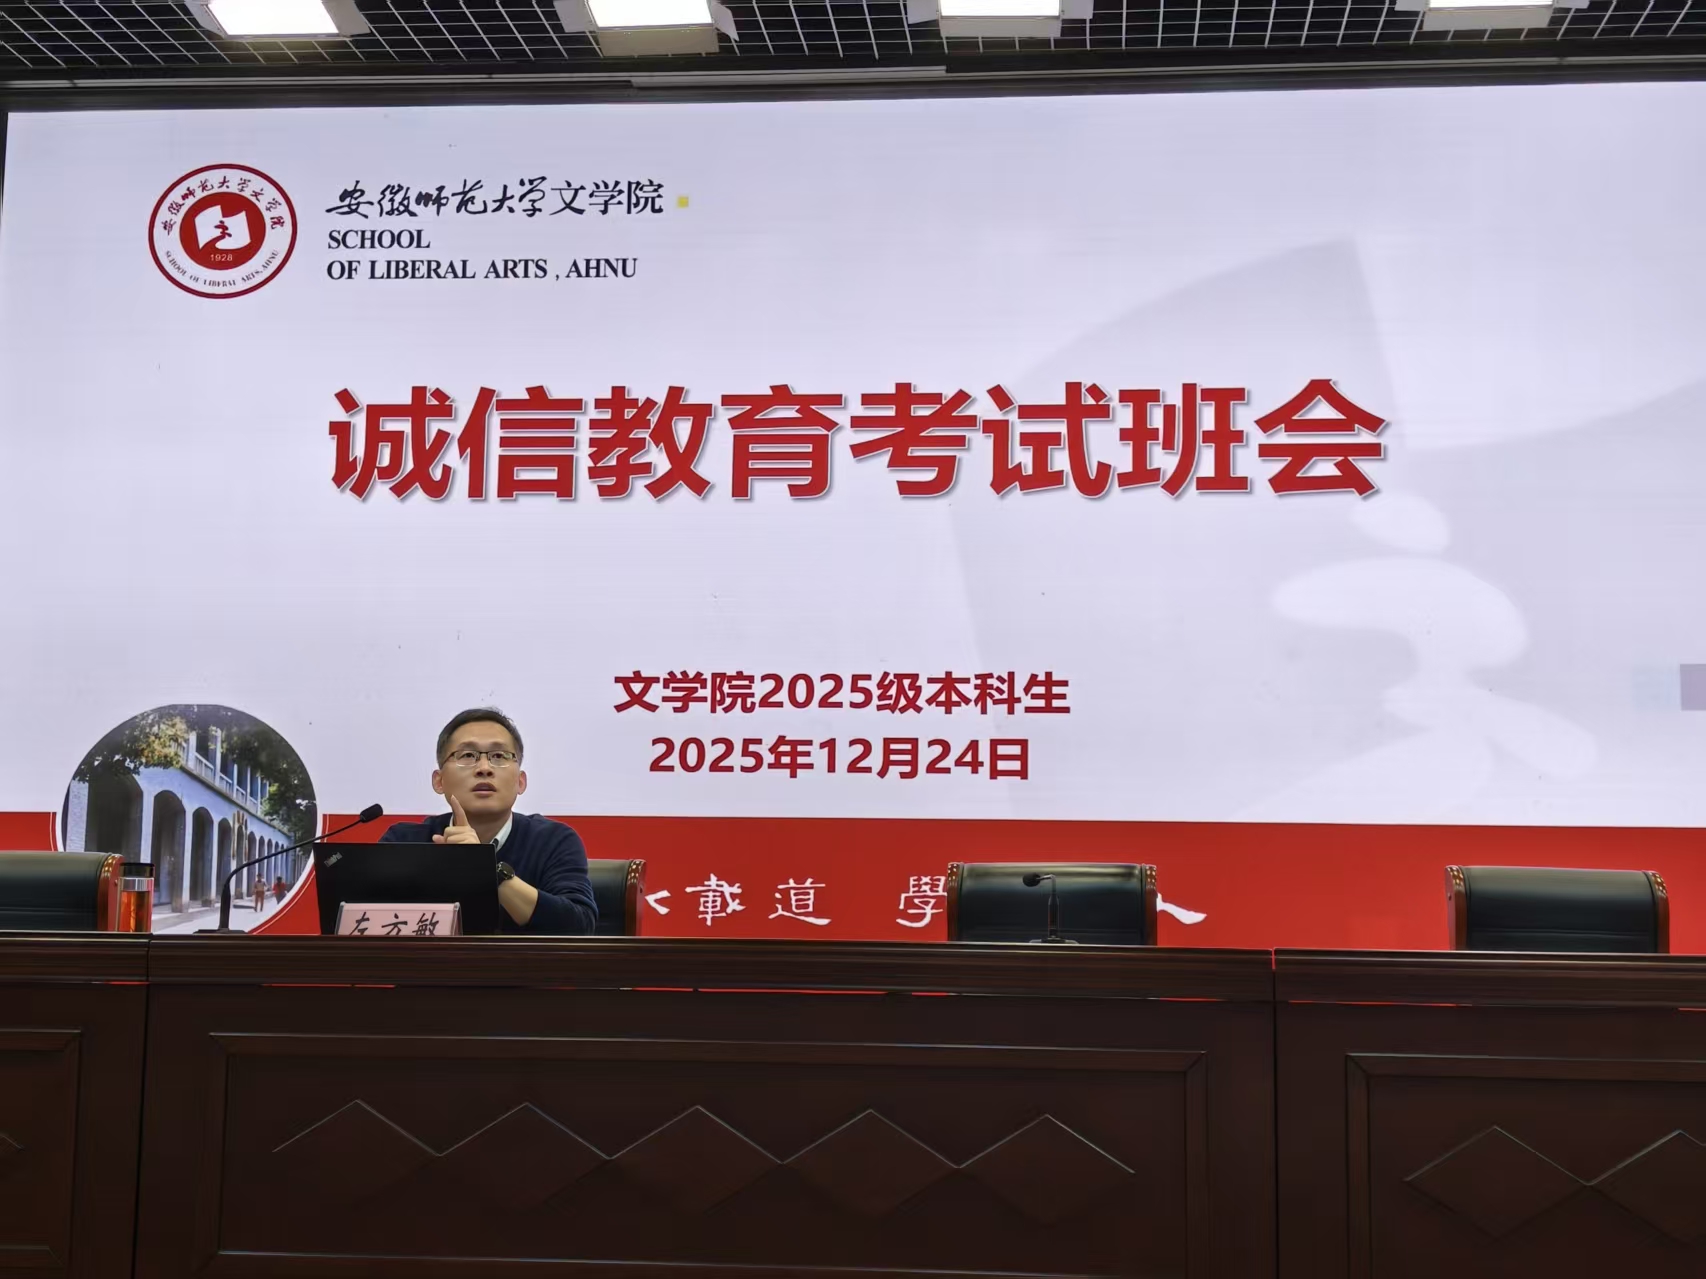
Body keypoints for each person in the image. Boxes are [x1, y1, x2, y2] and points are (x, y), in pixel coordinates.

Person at [379, 707, 597, 935]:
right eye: (467, 755)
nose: (484, 769)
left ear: (521, 782)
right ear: (439, 781)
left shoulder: (553, 841)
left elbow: (579, 927)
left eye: (499, 756)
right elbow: (365, 922)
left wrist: (484, 868)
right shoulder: (405, 842)